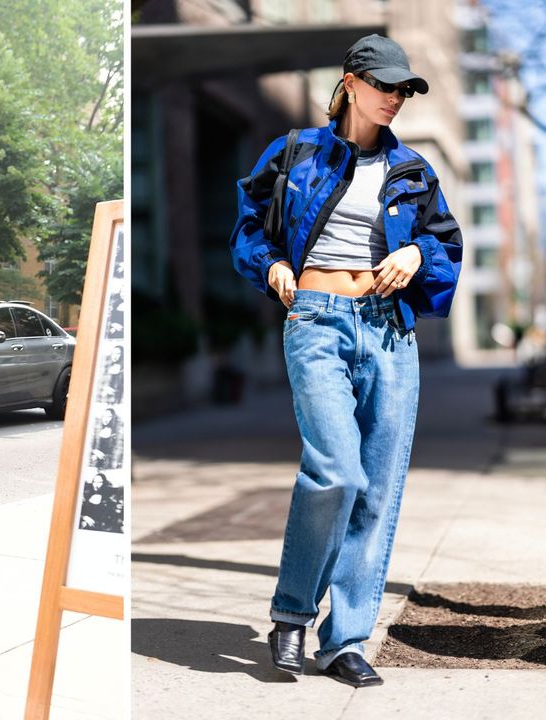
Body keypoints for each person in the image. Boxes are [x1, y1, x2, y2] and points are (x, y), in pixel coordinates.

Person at [230, 34, 461, 687]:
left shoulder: (412, 169)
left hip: (389, 331)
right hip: (318, 321)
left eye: (403, 90)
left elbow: (444, 244)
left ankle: (345, 640)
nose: (394, 98)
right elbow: (250, 227)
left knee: (377, 491)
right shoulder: (296, 152)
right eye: (385, 85)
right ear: (350, 82)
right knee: (335, 471)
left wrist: (416, 255)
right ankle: (291, 615)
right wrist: (273, 267)